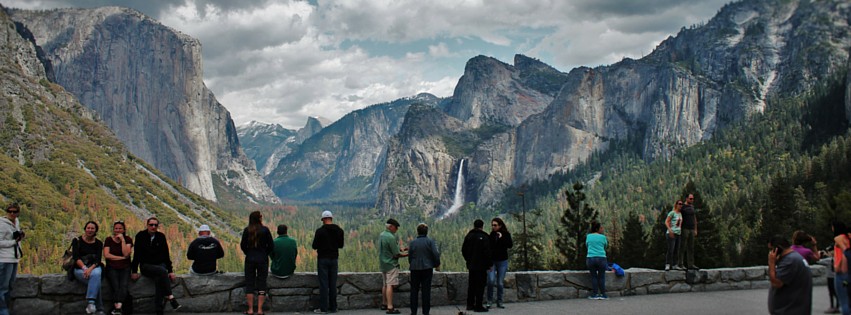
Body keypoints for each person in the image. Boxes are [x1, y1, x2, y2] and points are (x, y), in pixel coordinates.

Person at [131, 217, 180, 315]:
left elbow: (166, 254)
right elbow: (136, 254)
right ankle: (170, 296)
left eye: (155, 225)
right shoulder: (140, 236)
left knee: (159, 278)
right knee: (162, 271)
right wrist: (134, 271)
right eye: (151, 225)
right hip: (146, 266)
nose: (153, 227)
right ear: (147, 225)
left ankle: (159, 309)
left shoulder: (161, 236)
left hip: (159, 265)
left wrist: (170, 270)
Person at [768, 235, 813, 314]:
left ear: (777, 248)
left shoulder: (789, 261)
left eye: (771, 249)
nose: (771, 253)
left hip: (790, 311)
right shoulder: (794, 258)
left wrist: (771, 263)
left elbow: (776, 283)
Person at [240, 211, 274, 315]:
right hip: (262, 259)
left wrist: (248, 253)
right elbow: (271, 246)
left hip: (250, 259)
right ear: (259, 218)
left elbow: (242, 245)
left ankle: (250, 310)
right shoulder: (265, 230)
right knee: (261, 283)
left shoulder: (247, 230)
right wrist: (264, 253)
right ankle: (260, 310)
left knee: (249, 283)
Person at [311, 210, 344, 314]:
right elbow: (341, 245)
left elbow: (314, 246)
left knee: (324, 284)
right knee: (332, 284)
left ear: (323, 219)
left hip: (323, 259)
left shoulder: (320, 231)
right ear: (331, 218)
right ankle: (334, 307)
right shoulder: (339, 230)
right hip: (334, 259)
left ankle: (324, 308)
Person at [72, 221, 104, 314]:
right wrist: (85, 269)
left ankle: (91, 303)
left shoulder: (98, 243)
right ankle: (100, 309)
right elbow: (76, 257)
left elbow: (98, 260)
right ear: (85, 229)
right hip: (79, 268)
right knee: (96, 280)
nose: (90, 230)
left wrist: (90, 269)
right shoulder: (77, 241)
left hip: (94, 267)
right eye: (88, 228)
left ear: (95, 230)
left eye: (92, 228)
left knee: (96, 274)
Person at [408, 223, 440, 315]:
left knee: (414, 291)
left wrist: (412, 264)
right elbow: (436, 254)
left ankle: (413, 312)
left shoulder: (413, 243)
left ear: (417, 232)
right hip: (427, 268)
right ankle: (426, 312)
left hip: (414, 269)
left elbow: (410, 256)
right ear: (427, 232)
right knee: (426, 291)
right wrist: (436, 264)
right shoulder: (430, 242)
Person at [103, 221, 133, 315]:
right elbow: (107, 255)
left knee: (123, 285)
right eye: (116, 228)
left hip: (125, 267)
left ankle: (118, 308)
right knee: (115, 286)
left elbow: (126, 254)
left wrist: (122, 240)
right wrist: (120, 258)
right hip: (111, 267)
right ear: (113, 229)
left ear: (124, 230)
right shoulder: (108, 240)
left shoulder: (128, 239)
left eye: (120, 228)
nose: (118, 230)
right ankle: (119, 309)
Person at [462, 219, 491, 313]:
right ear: (482, 226)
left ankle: (469, 304)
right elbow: (487, 253)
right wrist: (489, 264)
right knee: (480, 286)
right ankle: (478, 306)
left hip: (472, 265)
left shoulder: (469, 236)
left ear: (474, 225)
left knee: (472, 285)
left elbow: (463, 250)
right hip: (482, 266)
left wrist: (468, 260)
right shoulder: (485, 237)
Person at [379, 218, 407, 314]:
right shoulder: (391, 237)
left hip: (383, 263)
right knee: (390, 285)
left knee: (385, 284)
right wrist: (408, 254)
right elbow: (396, 254)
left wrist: (401, 249)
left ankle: (384, 303)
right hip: (391, 264)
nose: (396, 229)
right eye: (396, 227)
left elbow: (388, 249)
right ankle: (390, 307)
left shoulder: (382, 235)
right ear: (391, 226)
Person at [0, 203, 23, 315]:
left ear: (18, 212)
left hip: (14, 258)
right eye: (10, 211)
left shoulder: (16, 222)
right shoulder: (2, 224)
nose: (12, 214)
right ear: (7, 212)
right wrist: (13, 242)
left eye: (14, 211)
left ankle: (7, 309)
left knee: (10, 286)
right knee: (2, 287)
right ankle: (3, 311)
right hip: (4, 259)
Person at [486, 217, 512, 309]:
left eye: (495, 225)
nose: (493, 227)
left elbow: (510, 245)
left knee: (500, 282)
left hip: (502, 262)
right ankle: (489, 301)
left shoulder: (506, 234)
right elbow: (489, 248)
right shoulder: (491, 235)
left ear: (500, 225)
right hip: (492, 261)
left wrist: (501, 238)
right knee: (491, 281)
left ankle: (500, 301)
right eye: (492, 225)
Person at [586, 221, 608, 300]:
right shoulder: (603, 237)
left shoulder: (588, 236)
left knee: (594, 277)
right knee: (601, 276)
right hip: (601, 258)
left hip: (591, 258)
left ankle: (594, 294)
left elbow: (587, 245)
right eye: (601, 228)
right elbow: (606, 246)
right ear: (598, 229)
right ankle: (603, 294)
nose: (602, 229)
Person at [833, 222, 850, 315]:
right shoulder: (848, 238)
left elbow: (842, 255)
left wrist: (837, 266)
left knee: (844, 301)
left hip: (842, 273)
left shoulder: (839, 240)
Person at [678, 194, 698, 270]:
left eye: (692, 199)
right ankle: (680, 263)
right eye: (690, 199)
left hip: (692, 229)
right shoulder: (682, 207)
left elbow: (695, 218)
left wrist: (696, 229)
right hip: (684, 229)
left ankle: (691, 264)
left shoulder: (692, 207)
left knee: (691, 247)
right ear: (686, 199)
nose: (692, 200)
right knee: (682, 247)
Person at [817, 247, 838, 314]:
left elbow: (818, 261)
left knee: (831, 293)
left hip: (830, 278)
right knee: (837, 292)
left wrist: (820, 255)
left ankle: (832, 306)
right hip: (837, 277)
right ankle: (837, 306)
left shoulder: (828, 260)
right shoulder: (838, 258)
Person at [665, 200, 683, 271]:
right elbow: (666, 221)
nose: (680, 205)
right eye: (679, 204)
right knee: (671, 249)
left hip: (678, 233)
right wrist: (669, 230)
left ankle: (675, 264)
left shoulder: (680, 214)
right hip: (671, 233)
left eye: (681, 204)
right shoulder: (672, 213)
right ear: (676, 204)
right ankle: (668, 264)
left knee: (676, 250)